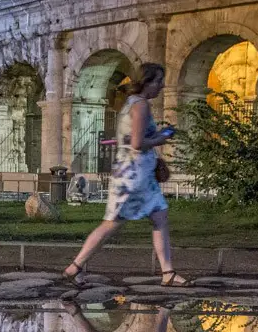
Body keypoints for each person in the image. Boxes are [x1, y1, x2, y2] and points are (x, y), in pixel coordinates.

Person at [63, 63, 187, 287]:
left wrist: (156, 138)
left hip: (135, 173)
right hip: (134, 176)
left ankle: (168, 272)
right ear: (146, 82)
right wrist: (162, 138)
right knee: (112, 223)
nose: (161, 86)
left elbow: (130, 140)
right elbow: (137, 144)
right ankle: (75, 266)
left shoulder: (131, 103)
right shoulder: (141, 105)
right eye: (158, 81)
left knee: (158, 216)